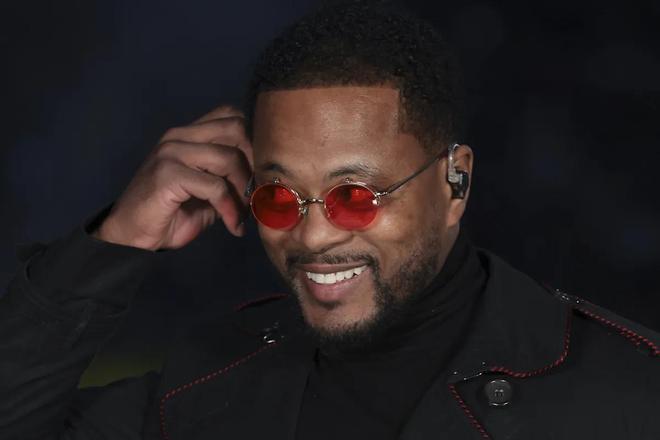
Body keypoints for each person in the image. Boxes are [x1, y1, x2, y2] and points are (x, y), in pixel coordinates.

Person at [1, 2, 658, 439]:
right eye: (278, 199)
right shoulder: (205, 384)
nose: (313, 236)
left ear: (454, 181)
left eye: (355, 197)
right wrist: (117, 239)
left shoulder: (631, 391)